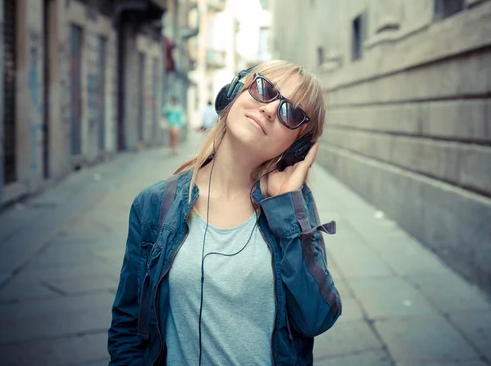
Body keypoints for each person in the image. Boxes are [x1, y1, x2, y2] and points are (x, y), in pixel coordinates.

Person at [108, 60, 342, 366]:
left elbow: (317, 318)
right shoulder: (154, 205)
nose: (270, 109)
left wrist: (286, 210)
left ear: (297, 147)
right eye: (264, 89)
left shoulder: (292, 208)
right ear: (234, 91)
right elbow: (127, 331)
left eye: (292, 113)